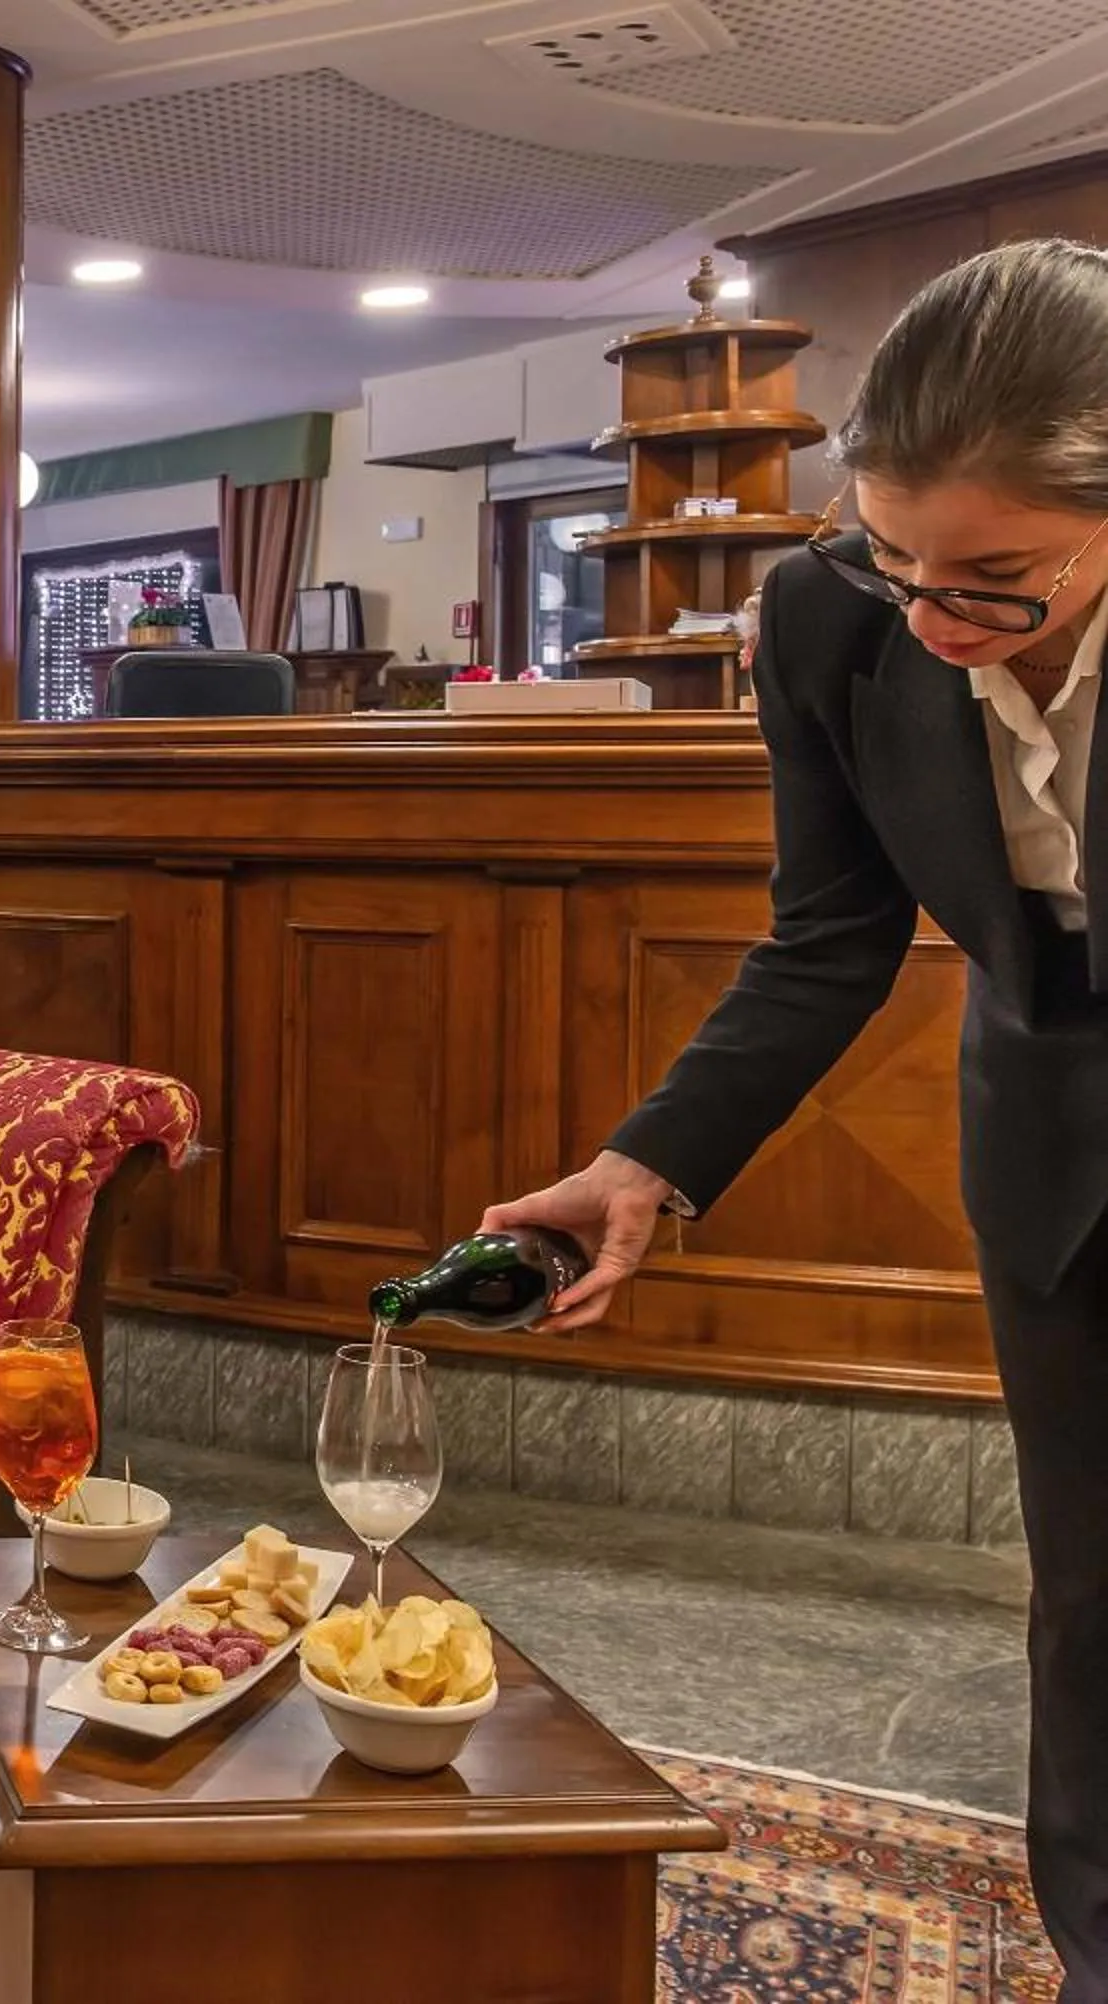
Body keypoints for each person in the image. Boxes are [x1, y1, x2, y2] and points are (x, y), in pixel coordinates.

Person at [482, 239, 1108, 1994]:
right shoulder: (831, 612)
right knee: (1092, 1588)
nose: (927, 615)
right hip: (1051, 1130)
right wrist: (650, 1163)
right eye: (894, 549)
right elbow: (833, 936)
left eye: (996, 578)